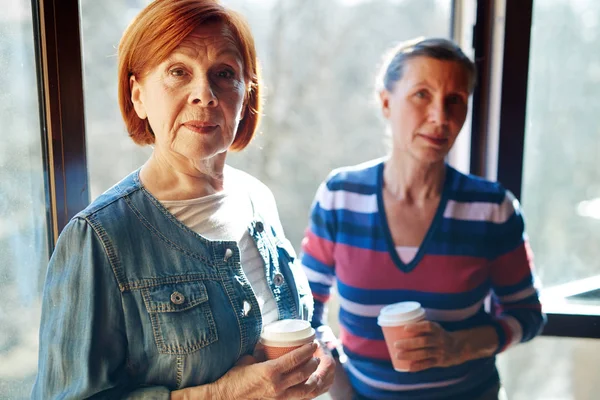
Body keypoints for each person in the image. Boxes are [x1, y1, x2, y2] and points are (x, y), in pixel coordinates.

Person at [31, 1, 335, 398]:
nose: (205, 95)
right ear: (137, 94)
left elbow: (302, 324)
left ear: (247, 95)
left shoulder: (258, 198)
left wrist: (324, 356)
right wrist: (219, 396)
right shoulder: (98, 239)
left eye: (224, 74)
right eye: (178, 72)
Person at [300, 37, 545, 400]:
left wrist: (458, 346)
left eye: (455, 100)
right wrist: (342, 389)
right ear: (386, 102)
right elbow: (305, 312)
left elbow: (527, 316)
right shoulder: (340, 197)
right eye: (421, 95)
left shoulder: (492, 209)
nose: (440, 117)